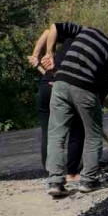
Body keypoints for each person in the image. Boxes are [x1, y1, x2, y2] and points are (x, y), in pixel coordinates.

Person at [30, 21, 108, 199]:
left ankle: (56, 182)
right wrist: (96, 108)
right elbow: (105, 86)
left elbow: (54, 27)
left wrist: (49, 53)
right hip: (85, 89)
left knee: (56, 134)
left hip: (60, 84)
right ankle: (88, 181)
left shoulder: (87, 31)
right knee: (93, 135)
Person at [34, 45, 85, 182]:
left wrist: (37, 56)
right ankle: (72, 173)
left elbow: (47, 32)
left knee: (48, 131)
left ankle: (51, 171)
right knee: (77, 129)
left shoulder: (57, 49)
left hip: (46, 86)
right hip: (62, 89)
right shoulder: (78, 51)